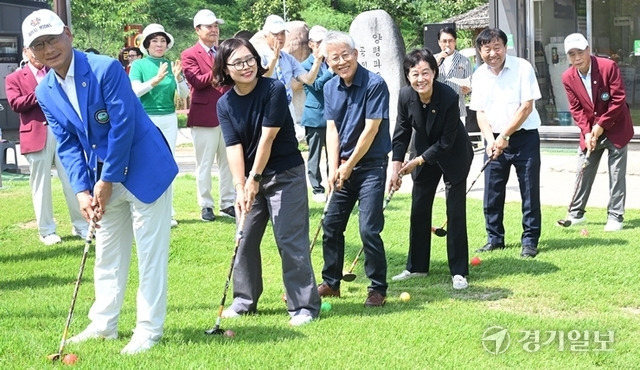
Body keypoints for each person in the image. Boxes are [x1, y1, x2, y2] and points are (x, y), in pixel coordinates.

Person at [24, 9, 178, 354]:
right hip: (101, 178)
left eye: (52, 38)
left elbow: (123, 126)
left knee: (150, 253)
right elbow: (66, 144)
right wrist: (81, 188)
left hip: (144, 169)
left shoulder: (104, 68)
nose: (48, 48)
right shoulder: (46, 90)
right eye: (38, 45)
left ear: (68, 34)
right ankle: (104, 323)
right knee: (107, 252)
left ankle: (148, 329)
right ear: (30, 53)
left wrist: (106, 180)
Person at [213, 37, 321, 326]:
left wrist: (254, 179)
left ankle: (303, 306)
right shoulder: (224, 103)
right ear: (225, 67)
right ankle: (244, 300)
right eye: (237, 62)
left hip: (283, 174)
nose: (246, 66)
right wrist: (240, 187)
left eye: (249, 59)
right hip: (250, 179)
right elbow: (233, 146)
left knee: (289, 239)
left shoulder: (273, 88)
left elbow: (267, 138)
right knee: (244, 238)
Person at [388, 48, 474, 289]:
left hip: (453, 153)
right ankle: (416, 267)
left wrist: (416, 161)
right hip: (423, 152)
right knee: (419, 207)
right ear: (408, 76)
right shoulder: (405, 96)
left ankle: (458, 271)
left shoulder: (447, 96)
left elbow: (446, 142)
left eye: (426, 72)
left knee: (455, 212)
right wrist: (396, 168)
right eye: (414, 74)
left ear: (434, 73)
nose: (420, 79)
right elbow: (401, 133)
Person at [318, 31, 391, 307]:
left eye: (345, 55)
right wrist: (333, 167)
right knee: (331, 225)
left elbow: (371, 129)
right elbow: (332, 130)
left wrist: (348, 165)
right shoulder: (328, 87)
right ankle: (331, 282)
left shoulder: (375, 84)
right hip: (343, 167)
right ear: (327, 62)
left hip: (371, 165)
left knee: (368, 229)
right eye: (334, 58)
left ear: (356, 54)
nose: (341, 61)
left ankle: (377, 288)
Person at [469, 28, 542, 258]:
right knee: (492, 191)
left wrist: (505, 136)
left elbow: (526, 107)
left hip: (524, 138)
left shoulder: (522, 67)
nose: (493, 53)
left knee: (529, 191)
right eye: (487, 48)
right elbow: (479, 112)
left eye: (497, 47)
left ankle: (529, 241)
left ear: (505, 47)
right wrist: (491, 139)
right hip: (494, 140)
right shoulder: (479, 74)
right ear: (480, 51)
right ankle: (494, 239)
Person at [5, 47, 88, 245]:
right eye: (34, 52)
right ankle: (46, 230)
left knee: (72, 180)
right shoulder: (14, 78)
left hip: (62, 132)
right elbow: (15, 103)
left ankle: (81, 225)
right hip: (36, 134)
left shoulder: (55, 71)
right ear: (26, 52)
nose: (39, 57)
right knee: (41, 185)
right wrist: (41, 92)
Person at [561, 33, 634, 231]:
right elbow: (576, 109)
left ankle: (615, 216)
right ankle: (576, 214)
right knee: (583, 170)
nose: (577, 57)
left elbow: (618, 99)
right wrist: (586, 132)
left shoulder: (607, 67)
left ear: (588, 49)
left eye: (580, 52)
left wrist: (601, 125)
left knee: (616, 174)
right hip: (591, 131)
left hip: (616, 128)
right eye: (572, 54)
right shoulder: (568, 77)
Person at [130, 23, 189, 227]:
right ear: (146, 44)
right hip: (146, 119)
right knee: (146, 162)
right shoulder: (139, 65)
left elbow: (184, 94)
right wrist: (154, 81)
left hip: (169, 119)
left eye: (162, 40)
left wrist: (179, 77)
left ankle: (168, 212)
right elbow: (134, 91)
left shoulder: (171, 64)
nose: (159, 44)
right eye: (154, 40)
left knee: (167, 163)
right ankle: (145, 207)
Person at [181, 9, 235, 221]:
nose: (214, 30)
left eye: (216, 26)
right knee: (204, 164)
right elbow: (197, 81)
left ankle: (228, 203)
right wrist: (220, 65)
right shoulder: (189, 54)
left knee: (229, 162)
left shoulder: (224, 50)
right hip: (204, 116)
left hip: (228, 114)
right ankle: (206, 205)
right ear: (198, 30)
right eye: (209, 26)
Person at [260, 15, 324, 123]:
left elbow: (308, 80)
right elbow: (262, 79)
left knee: (290, 139)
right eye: (275, 34)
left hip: (287, 107)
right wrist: (274, 59)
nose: (280, 37)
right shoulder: (258, 55)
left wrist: (317, 60)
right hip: (266, 109)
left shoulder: (288, 59)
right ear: (265, 36)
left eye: (282, 33)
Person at [300, 25, 332, 203]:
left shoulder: (331, 62)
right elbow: (317, 86)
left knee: (333, 154)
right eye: (320, 42)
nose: (323, 46)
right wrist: (331, 71)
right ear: (311, 44)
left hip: (333, 117)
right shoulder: (305, 66)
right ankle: (316, 188)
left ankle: (333, 184)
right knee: (314, 155)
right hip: (314, 117)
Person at [435, 27, 473, 125]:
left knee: (458, 138)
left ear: (455, 42)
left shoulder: (464, 60)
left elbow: (471, 83)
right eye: (444, 41)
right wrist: (437, 61)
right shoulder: (432, 59)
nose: (447, 44)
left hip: (457, 107)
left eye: (450, 41)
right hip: (436, 107)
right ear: (439, 42)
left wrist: (468, 89)